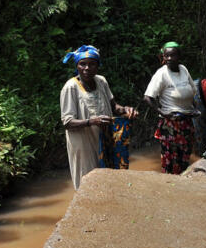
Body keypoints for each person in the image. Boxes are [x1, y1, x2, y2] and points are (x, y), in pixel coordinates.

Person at [59, 45, 138, 189]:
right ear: (77, 66)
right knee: (87, 183)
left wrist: (126, 110)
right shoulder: (70, 88)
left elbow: (114, 106)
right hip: (84, 145)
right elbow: (67, 122)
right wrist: (91, 121)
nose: (87, 68)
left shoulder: (101, 81)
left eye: (92, 64)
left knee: (108, 182)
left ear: (98, 66)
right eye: (83, 64)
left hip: (105, 140)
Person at [143, 42, 197, 174]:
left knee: (185, 157)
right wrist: (162, 113)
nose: (169, 59)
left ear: (179, 56)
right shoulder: (161, 74)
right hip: (170, 124)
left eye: (172, 55)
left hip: (186, 122)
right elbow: (147, 98)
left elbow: (192, 90)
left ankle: (182, 185)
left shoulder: (183, 69)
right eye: (166, 56)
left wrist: (194, 107)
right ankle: (168, 186)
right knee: (171, 160)